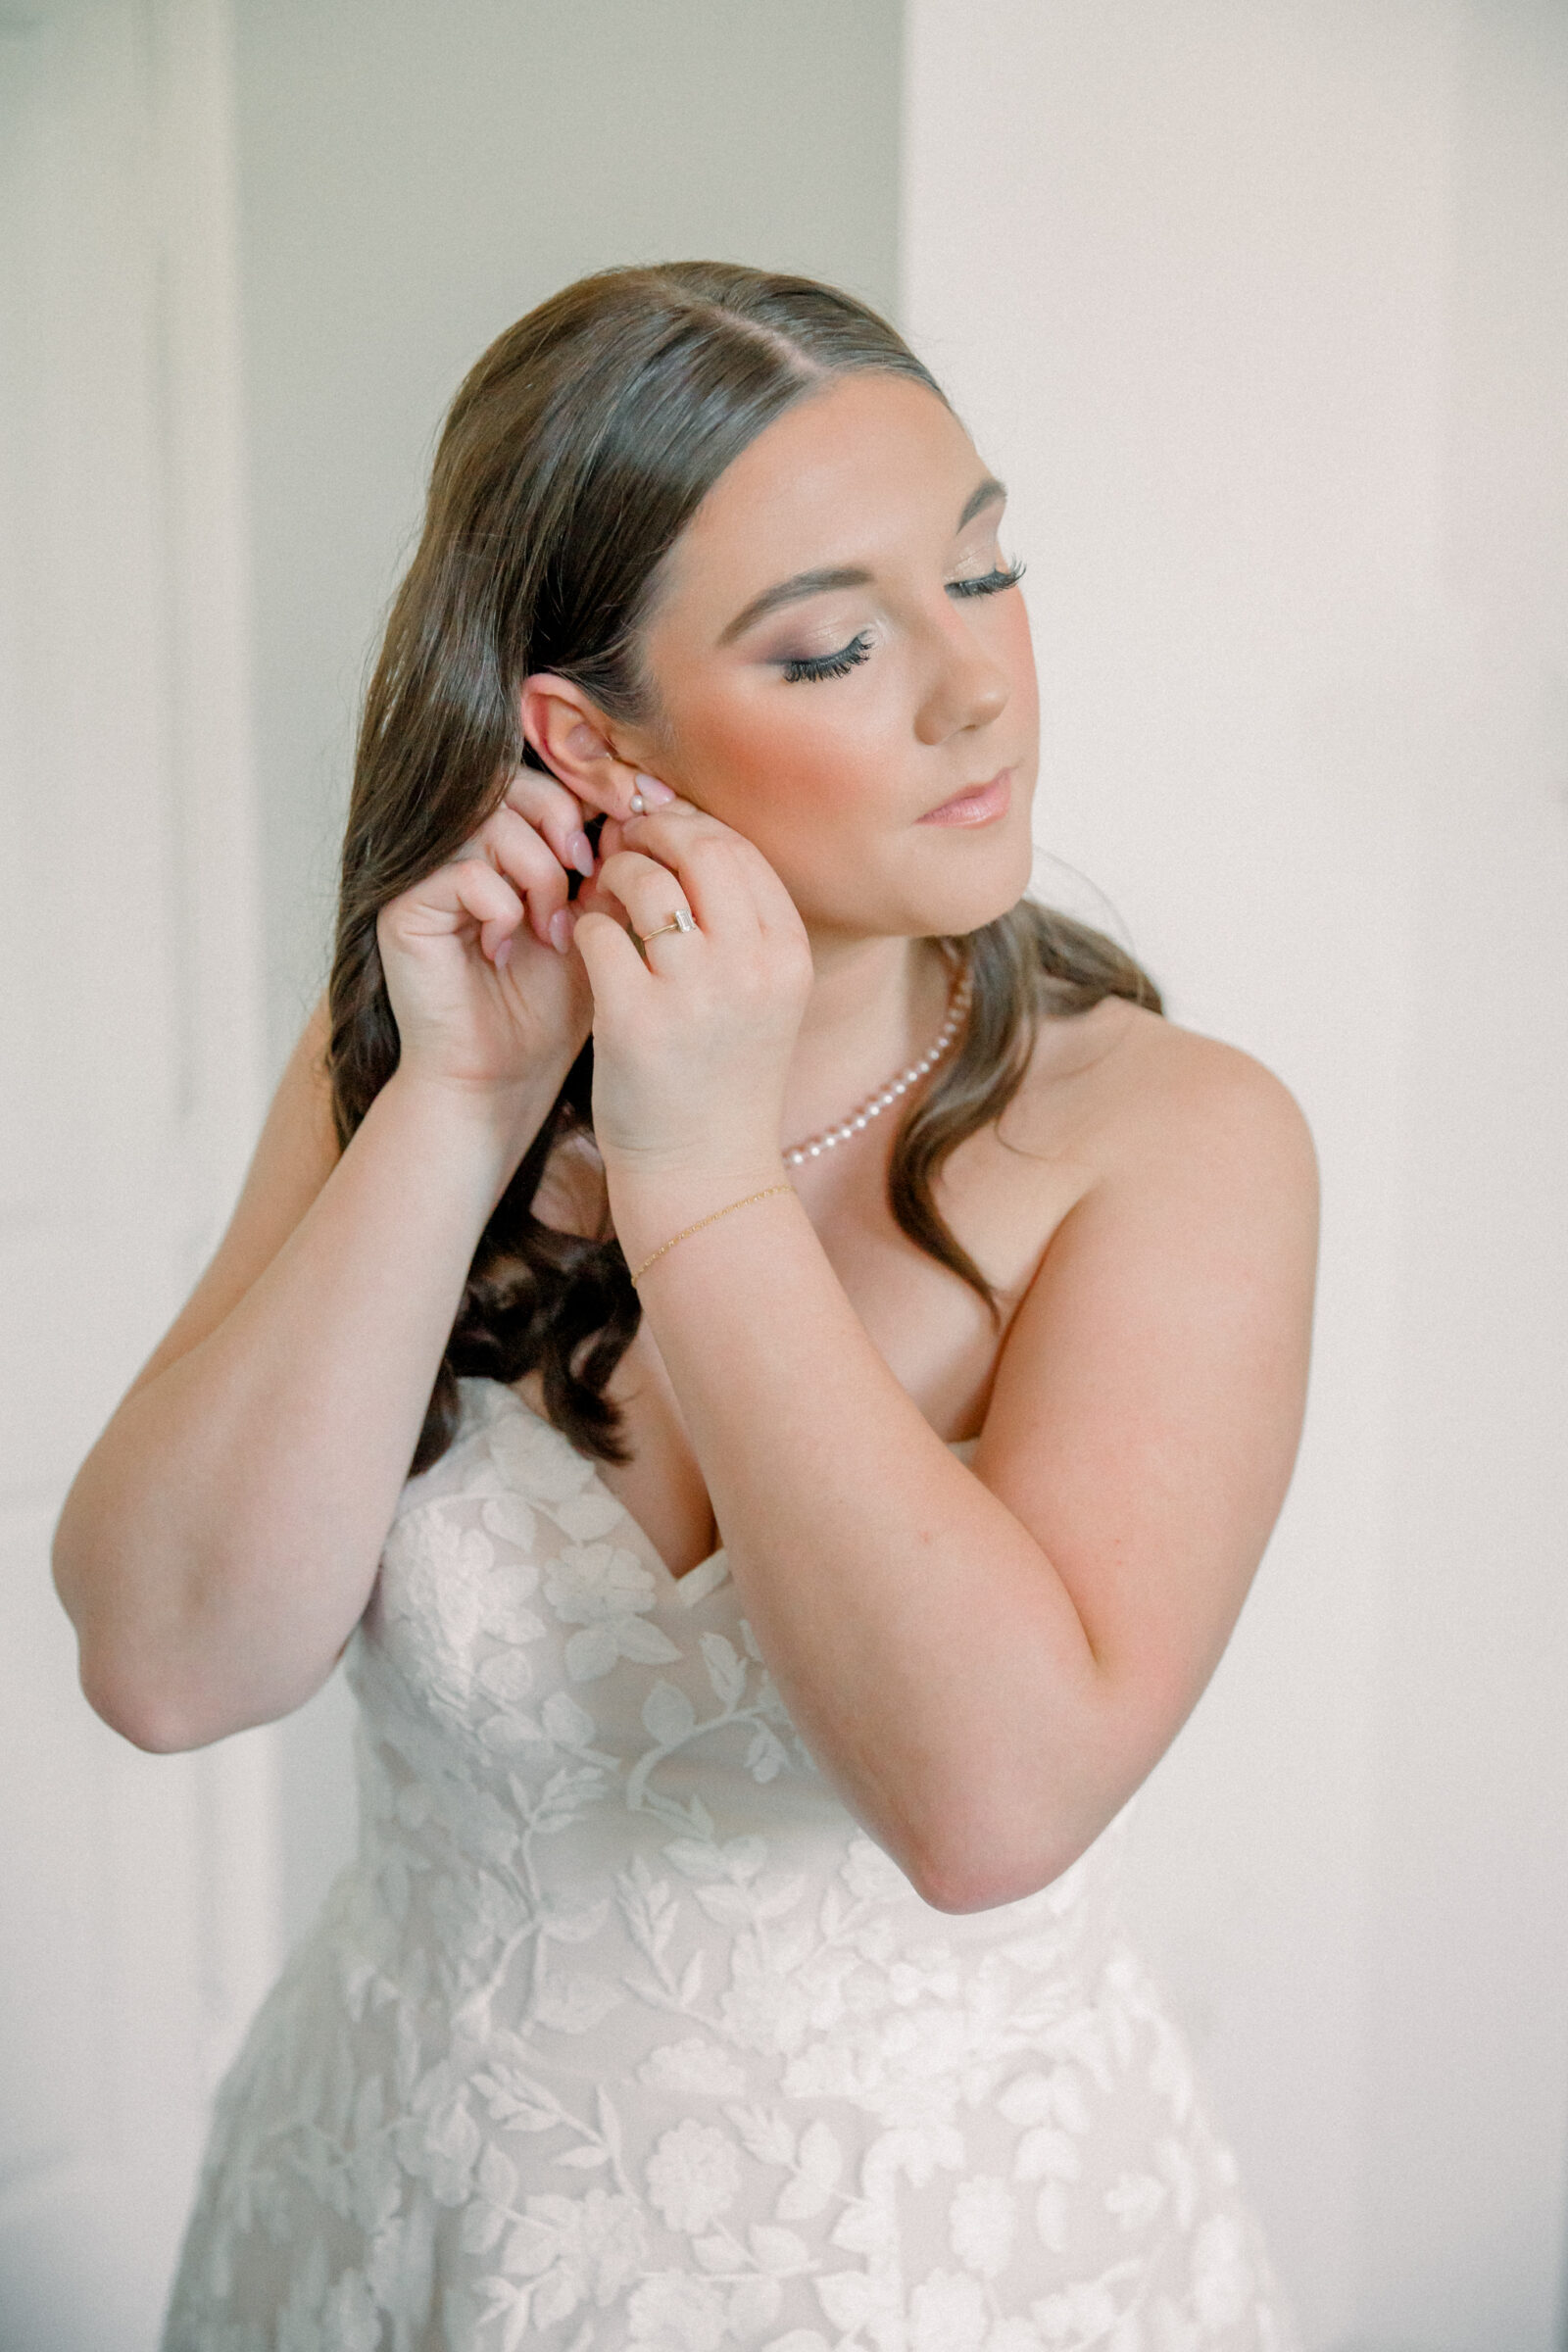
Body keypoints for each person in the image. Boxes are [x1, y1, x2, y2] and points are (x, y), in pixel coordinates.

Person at [54, 262, 1317, 2350]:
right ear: (583, 738)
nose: (974, 689)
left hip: (942, 2263)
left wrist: (699, 1176)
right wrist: (458, 1101)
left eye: (982, 574)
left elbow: (988, 1806)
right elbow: (169, 1665)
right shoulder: (409, 1054)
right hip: (406, 2212)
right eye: (832, 643)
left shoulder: (1172, 1141)